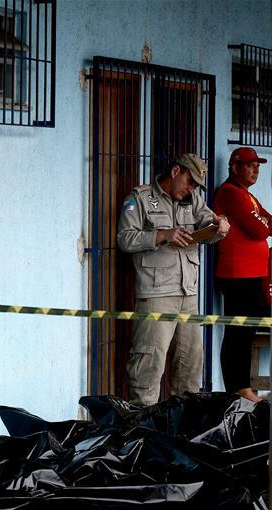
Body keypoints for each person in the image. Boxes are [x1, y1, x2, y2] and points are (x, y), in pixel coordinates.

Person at [117, 154, 230, 406]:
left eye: (195, 186)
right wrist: (161, 235)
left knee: (190, 365)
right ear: (176, 171)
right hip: (156, 295)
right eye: (189, 182)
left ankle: (182, 430)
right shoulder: (141, 199)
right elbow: (125, 239)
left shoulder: (193, 200)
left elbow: (208, 228)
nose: (191, 189)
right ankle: (142, 431)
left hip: (188, 293)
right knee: (149, 365)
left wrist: (219, 228)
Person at [213, 147, 272, 402]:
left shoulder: (246, 195)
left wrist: (268, 222)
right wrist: (268, 224)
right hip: (238, 275)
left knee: (247, 331)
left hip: (252, 274)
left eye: (257, 165)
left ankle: (242, 386)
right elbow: (260, 229)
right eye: (250, 165)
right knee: (239, 332)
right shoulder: (231, 193)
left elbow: (270, 219)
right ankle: (238, 387)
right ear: (235, 167)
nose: (255, 169)